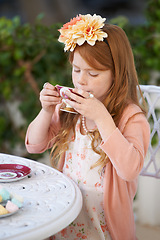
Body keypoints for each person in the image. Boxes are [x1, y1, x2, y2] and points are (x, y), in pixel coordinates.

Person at [25, 14, 150, 240]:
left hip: (105, 225)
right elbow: (35, 145)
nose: (81, 80)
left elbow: (130, 169)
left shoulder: (131, 117)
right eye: (76, 70)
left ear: (117, 74)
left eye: (93, 73)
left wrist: (102, 117)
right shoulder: (69, 108)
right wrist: (45, 110)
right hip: (68, 213)